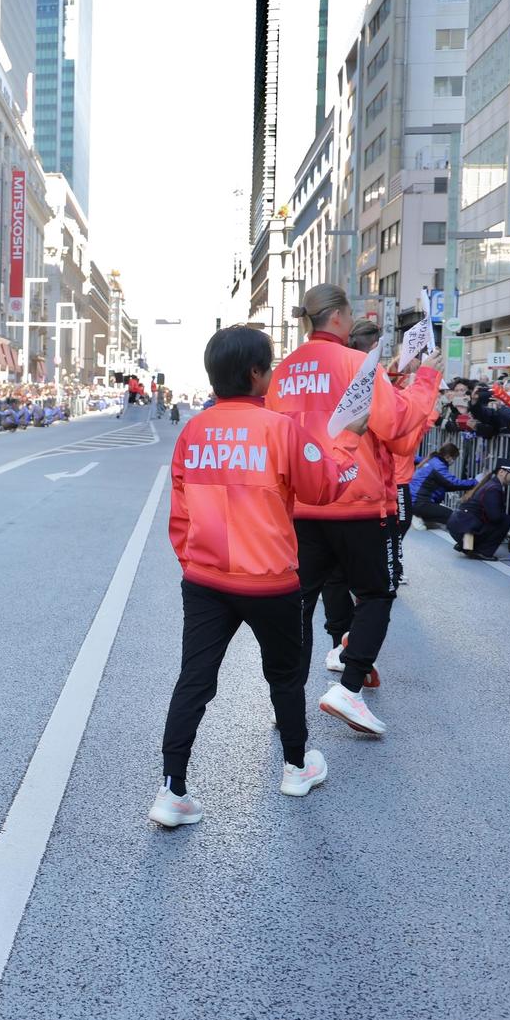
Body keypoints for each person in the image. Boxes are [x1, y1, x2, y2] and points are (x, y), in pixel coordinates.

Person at [151, 326, 362, 828]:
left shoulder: (192, 431)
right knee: (285, 677)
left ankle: (172, 789)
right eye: (268, 366)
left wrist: (194, 564)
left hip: (205, 579)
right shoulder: (279, 428)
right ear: (255, 373)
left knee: (195, 680)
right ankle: (295, 765)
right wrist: (350, 441)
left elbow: (179, 516)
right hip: (269, 579)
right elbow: (326, 487)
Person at [264, 284, 441, 736]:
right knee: (376, 594)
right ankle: (349, 686)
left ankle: (287, 699)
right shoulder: (354, 364)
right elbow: (398, 430)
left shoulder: (282, 372)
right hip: (357, 501)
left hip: (301, 504)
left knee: (299, 605)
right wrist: (426, 380)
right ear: (340, 317)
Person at [446, 458, 510, 560]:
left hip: (460, 525)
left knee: (498, 519)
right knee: (505, 521)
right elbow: (495, 517)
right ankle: (482, 552)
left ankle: (467, 547)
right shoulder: (494, 488)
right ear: (502, 472)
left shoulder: (491, 484)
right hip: (464, 528)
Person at [410, 443, 478, 528]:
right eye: (454, 458)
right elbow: (452, 483)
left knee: (444, 516)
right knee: (454, 517)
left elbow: (443, 486)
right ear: (448, 457)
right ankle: (418, 515)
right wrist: (474, 482)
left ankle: (419, 516)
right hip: (420, 503)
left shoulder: (432, 461)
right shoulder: (438, 465)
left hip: (415, 501)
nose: (453, 461)